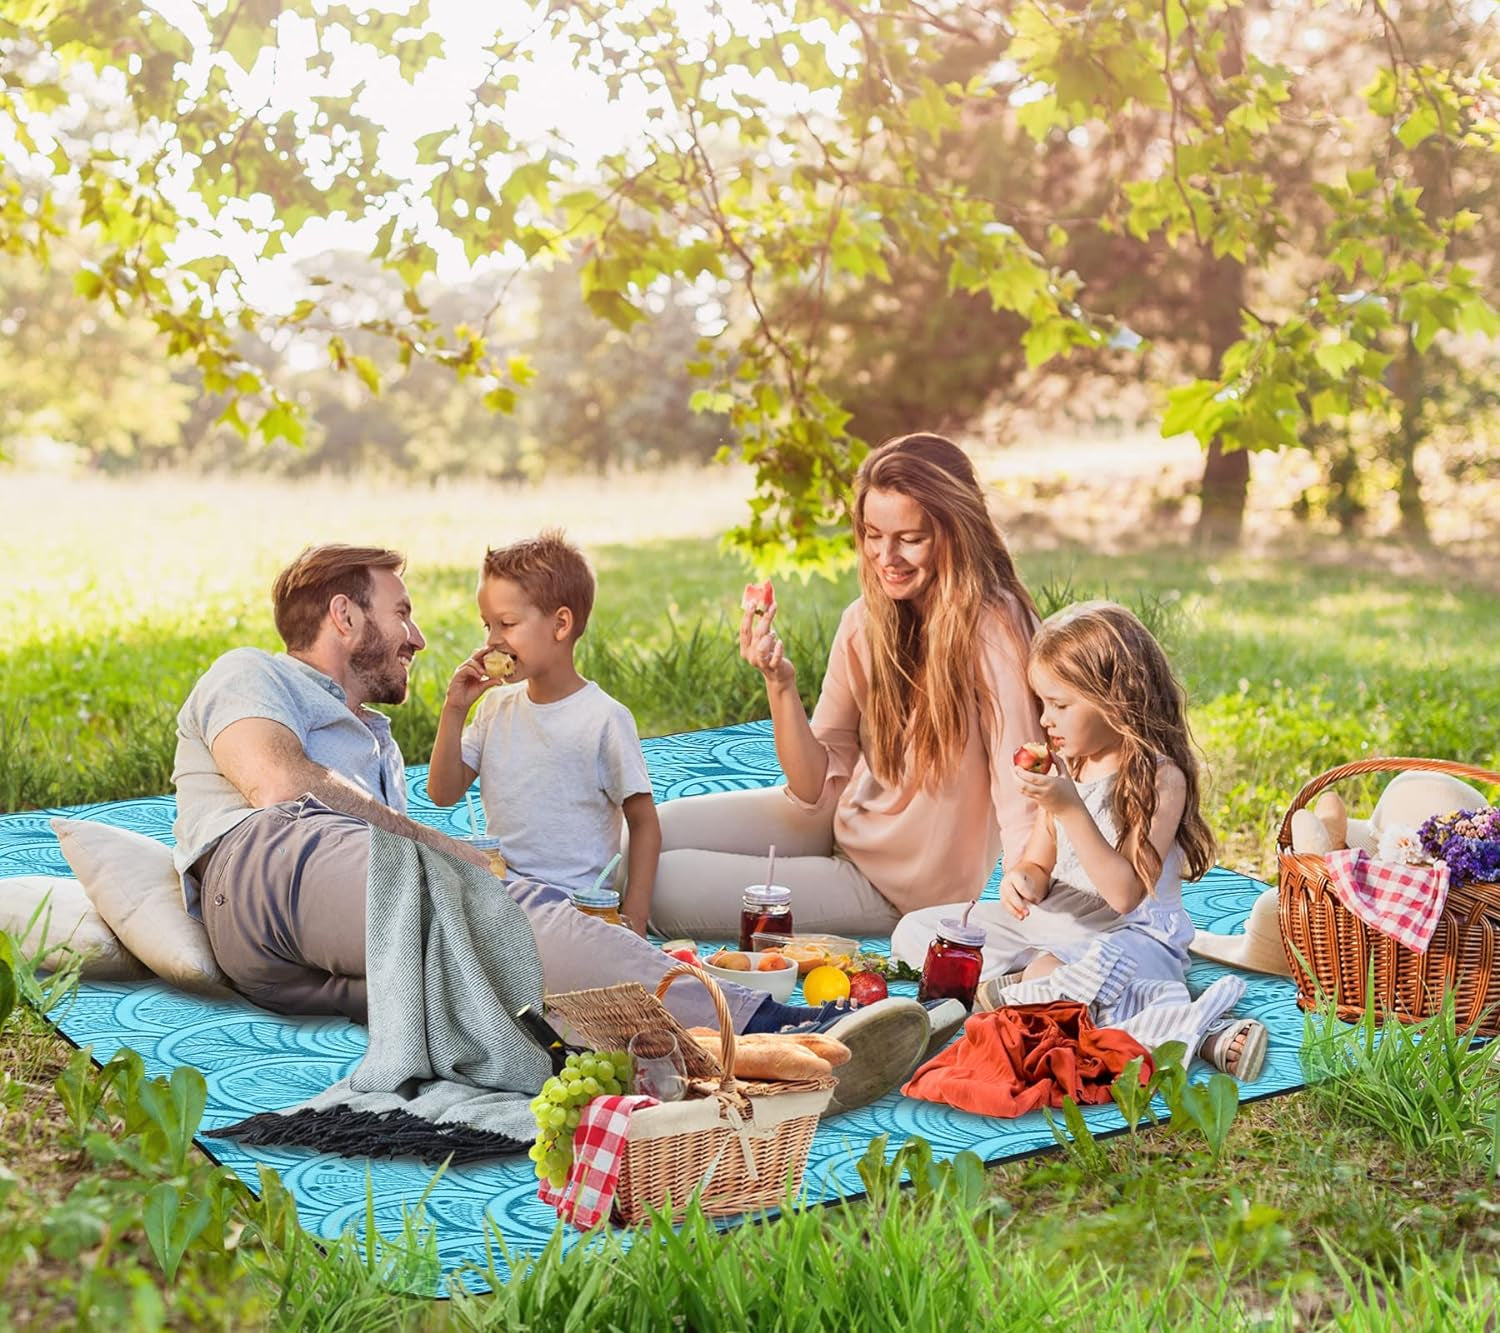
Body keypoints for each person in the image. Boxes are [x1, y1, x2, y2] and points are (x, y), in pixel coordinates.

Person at [170, 543, 953, 1114]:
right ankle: (776, 1023)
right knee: (500, 910)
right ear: (344, 615)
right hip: (269, 864)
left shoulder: (373, 739)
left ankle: (744, 1060)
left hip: (292, 956)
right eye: (401, 610)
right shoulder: (251, 671)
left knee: (506, 999)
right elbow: (276, 783)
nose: (416, 635)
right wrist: (456, 855)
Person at [648, 432, 1046, 939]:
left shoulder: (996, 631)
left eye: (911, 538)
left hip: (895, 886)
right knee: (643, 835)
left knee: (656, 884)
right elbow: (813, 788)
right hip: (839, 822)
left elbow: (1024, 791)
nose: (886, 556)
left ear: (955, 533)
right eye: (873, 534)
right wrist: (780, 683)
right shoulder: (865, 620)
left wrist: (1030, 901)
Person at [889, 601, 1268, 1080]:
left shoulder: (1160, 779)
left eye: (1060, 705)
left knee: (1063, 975)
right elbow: (1039, 863)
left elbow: (1125, 893)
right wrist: (1022, 879)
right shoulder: (1070, 767)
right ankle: (1028, 992)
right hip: (1057, 929)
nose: (1045, 720)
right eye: (1042, 704)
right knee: (919, 933)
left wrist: (1071, 808)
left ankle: (1203, 1031)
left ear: (1116, 701)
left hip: (1130, 938)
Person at [425, 532, 661, 935]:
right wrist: (455, 709)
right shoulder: (495, 708)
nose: (492, 640)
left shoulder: (603, 719)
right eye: (487, 625)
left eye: (508, 623)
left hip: (574, 909)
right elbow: (442, 792)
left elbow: (644, 824)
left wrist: (634, 921)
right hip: (501, 896)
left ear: (561, 624)